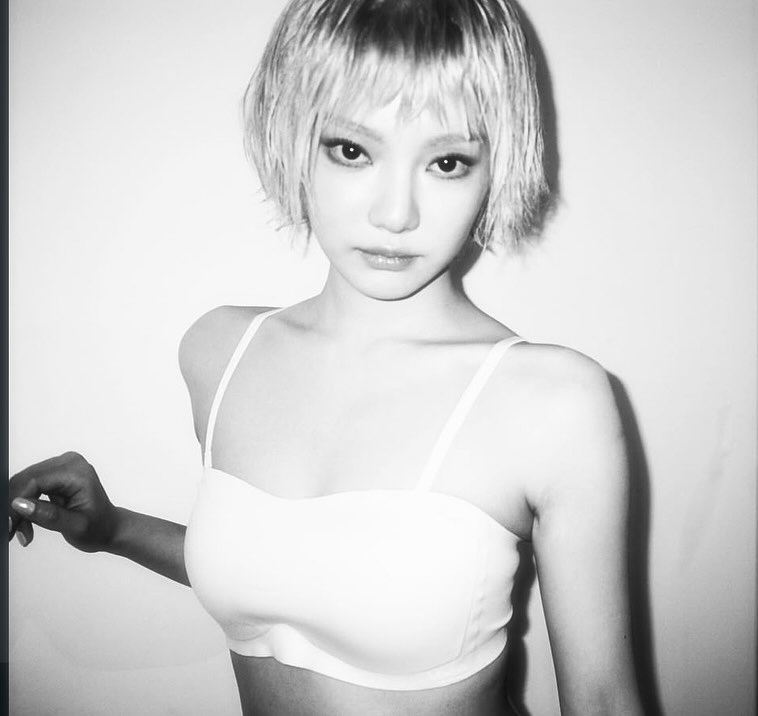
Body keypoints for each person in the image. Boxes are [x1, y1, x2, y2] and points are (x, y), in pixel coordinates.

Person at [8, 0, 643, 713]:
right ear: (294, 137)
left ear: (496, 167)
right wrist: (115, 529)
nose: (395, 213)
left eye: (447, 162)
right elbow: (297, 574)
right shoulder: (220, 352)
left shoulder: (553, 404)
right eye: (352, 150)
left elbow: (602, 697)